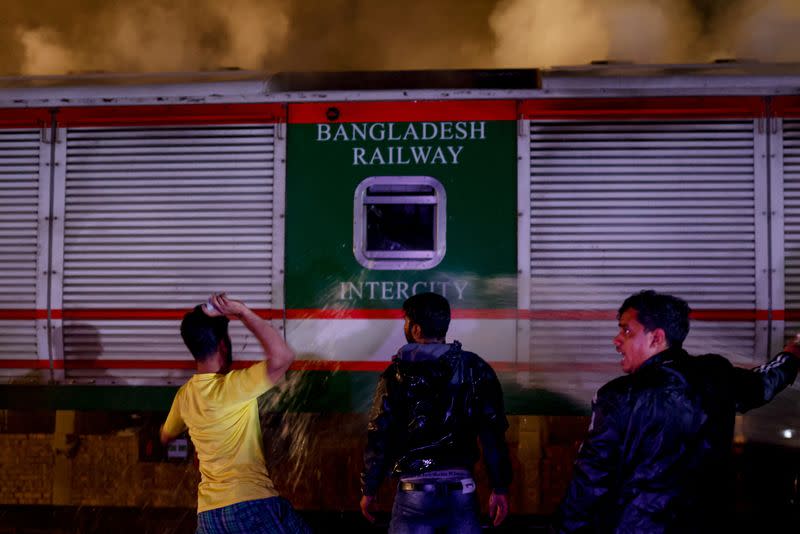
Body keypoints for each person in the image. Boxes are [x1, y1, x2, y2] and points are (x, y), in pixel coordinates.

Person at [552, 290, 800, 533]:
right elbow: (765, 382)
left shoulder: (617, 396)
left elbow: (591, 480)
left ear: (656, 338)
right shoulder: (716, 376)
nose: (617, 340)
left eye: (626, 330)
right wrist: (793, 353)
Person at [360, 292, 513, 533]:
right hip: (462, 490)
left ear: (417, 330)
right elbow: (492, 434)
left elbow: (379, 434)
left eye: (407, 322)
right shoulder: (475, 367)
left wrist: (370, 489)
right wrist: (500, 488)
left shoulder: (395, 374)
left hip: (414, 494)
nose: (405, 327)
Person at [160, 293, 311, 534]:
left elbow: (166, 436)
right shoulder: (233, 387)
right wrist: (243, 312)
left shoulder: (184, 396)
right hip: (251, 504)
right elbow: (283, 357)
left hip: (209, 516)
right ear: (222, 345)